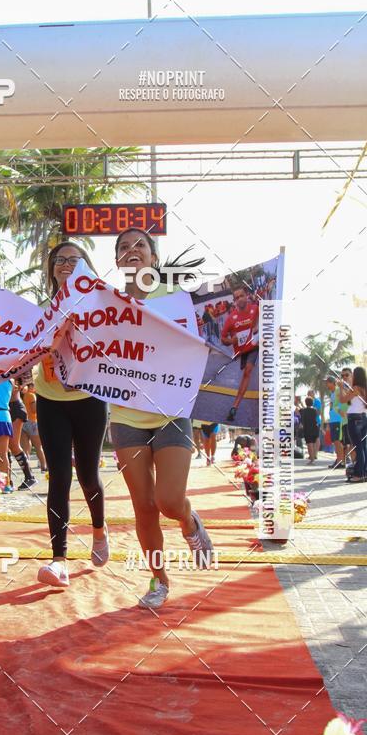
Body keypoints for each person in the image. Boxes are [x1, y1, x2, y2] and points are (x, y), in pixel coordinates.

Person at [111, 227, 214, 609]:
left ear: (153, 257)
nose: (132, 249)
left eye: (140, 244)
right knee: (144, 506)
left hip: (171, 412)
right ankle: (159, 580)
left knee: (168, 501)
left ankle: (189, 521)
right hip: (126, 415)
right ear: (117, 261)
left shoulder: (176, 297)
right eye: (124, 246)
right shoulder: (105, 304)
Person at [35, 241, 109, 589]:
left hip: (91, 399)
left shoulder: (102, 305)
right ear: (51, 270)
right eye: (59, 260)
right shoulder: (41, 310)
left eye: (73, 260)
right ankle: (59, 560)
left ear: (86, 267)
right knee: (59, 476)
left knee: (88, 476)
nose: (65, 264)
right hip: (50, 399)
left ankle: (99, 529)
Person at [221, 286, 259, 424]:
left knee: (248, 371)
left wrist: (258, 327)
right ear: (234, 301)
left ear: (247, 296)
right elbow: (223, 338)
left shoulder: (256, 309)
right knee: (245, 372)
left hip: (255, 346)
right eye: (236, 298)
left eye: (241, 296)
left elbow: (269, 320)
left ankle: (234, 407)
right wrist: (231, 341)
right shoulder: (231, 318)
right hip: (242, 350)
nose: (239, 299)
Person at [339, 366, 367, 482]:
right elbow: (351, 400)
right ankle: (364, 472)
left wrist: (341, 387)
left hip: (354, 419)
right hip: (363, 417)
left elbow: (343, 400)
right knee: (363, 447)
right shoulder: (363, 388)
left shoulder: (356, 388)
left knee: (358, 447)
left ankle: (359, 474)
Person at [8, 378, 36, 490]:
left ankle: (30, 477)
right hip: (3, 409)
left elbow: (24, 386)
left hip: (15, 407)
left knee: (13, 444)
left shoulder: (12, 373)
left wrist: (21, 386)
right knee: (4, 447)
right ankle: (7, 481)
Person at [21, 382, 47, 473]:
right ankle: (43, 466)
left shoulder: (22, 395)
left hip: (23, 421)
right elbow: (34, 409)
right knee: (38, 446)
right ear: (30, 386)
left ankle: (27, 468)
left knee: (25, 448)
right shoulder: (32, 395)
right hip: (32, 422)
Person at [324, 376, 344, 469]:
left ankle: (340, 461)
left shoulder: (337, 390)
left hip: (338, 419)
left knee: (337, 441)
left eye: (328, 382)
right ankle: (339, 460)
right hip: (333, 420)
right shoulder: (332, 393)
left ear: (332, 383)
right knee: (335, 441)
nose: (326, 384)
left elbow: (344, 403)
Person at [300, 396, 320, 463]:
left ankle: (312, 459)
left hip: (307, 429)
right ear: (312, 402)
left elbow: (302, 420)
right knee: (314, 444)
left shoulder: (303, 411)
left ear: (305, 403)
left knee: (309, 444)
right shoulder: (315, 410)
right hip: (315, 428)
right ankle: (314, 456)